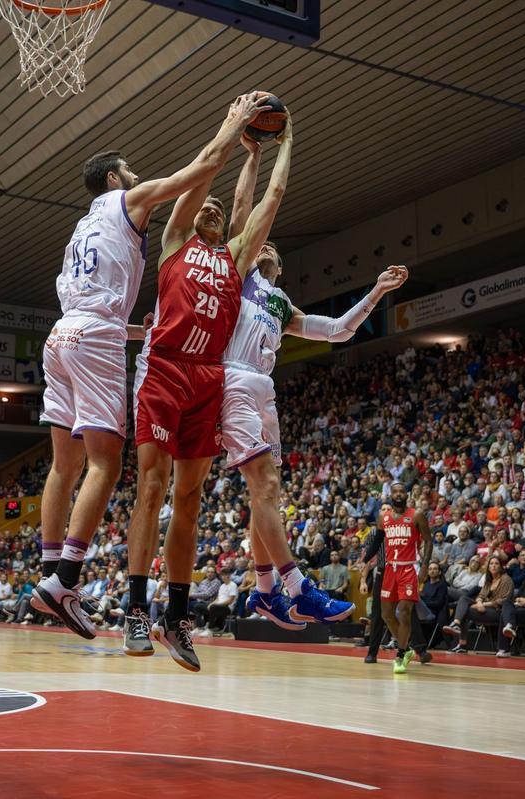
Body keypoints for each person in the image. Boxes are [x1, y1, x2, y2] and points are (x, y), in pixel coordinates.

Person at [34, 92, 269, 646]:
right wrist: (232, 122)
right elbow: (204, 168)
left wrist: (135, 328)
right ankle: (66, 577)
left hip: (61, 333)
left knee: (62, 466)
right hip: (95, 336)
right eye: (131, 172)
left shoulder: (81, 228)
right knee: (105, 466)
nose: (138, 178)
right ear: (116, 178)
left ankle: (48, 571)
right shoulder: (128, 200)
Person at [123, 94, 289, 672]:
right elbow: (204, 173)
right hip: (166, 369)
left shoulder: (237, 261)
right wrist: (233, 127)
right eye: (206, 208)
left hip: (209, 380)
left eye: (221, 211)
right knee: (151, 488)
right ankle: (135, 608)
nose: (214, 209)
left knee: (189, 500)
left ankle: (176, 617)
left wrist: (280, 145)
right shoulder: (174, 245)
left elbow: (268, 199)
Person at [213, 138, 406, 632]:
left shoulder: (281, 304)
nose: (268, 246)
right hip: (232, 378)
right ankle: (298, 587)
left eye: (274, 246)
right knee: (267, 487)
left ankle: (262, 593)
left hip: (264, 391)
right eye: (264, 244)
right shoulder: (238, 274)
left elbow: (339, 329)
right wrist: (253, 155)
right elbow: (241, 213)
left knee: (267, 497)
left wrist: (378, 292)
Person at [377, 483, 433, 673]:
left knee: (405, 611)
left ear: (407, 495)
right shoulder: (383, 518)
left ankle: (400, 654)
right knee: (386, 614)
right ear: (390, 495)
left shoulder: (416, 515)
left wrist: (424, 566)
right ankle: (407, 648)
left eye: (402, 491)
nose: (398, 494)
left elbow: (428, 540)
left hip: (409, 568)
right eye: (395, 491)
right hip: (389, 569)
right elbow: (378, 544)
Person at [442, 555, 513, 655]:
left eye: (496, 564)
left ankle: (459, 635)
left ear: (501, 566)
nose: (493, 566)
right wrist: (479, 602)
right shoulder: (489, 580)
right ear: (488, 567)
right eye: (491, 564)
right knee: (464, 600)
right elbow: (481, 595)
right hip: (484, 609)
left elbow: (503, 600)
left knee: (464, 608)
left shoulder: (506, 579)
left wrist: (483, 604)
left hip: (498, 612)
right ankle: (458, 631)